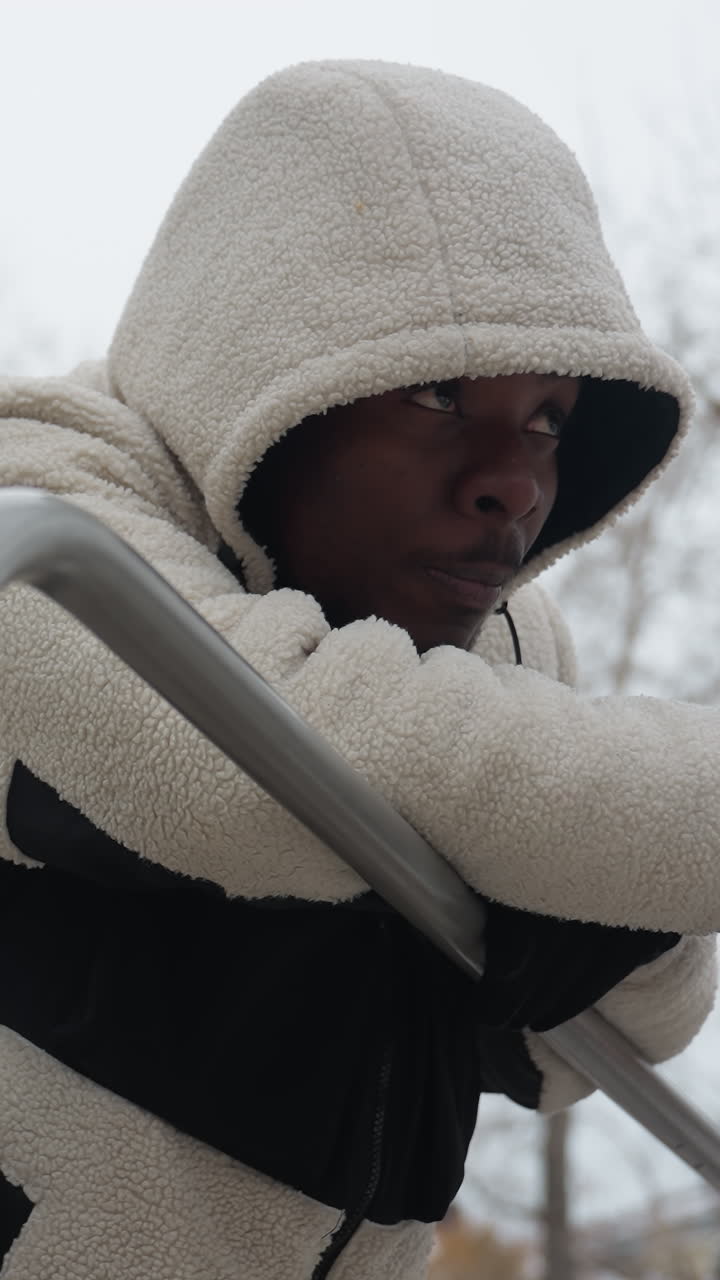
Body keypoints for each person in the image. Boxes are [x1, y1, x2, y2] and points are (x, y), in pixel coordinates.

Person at [0, 58, 716, 1280]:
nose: (519, 480)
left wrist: (559, 850)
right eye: (441, 391)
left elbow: (589, 1038)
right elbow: (235, 768)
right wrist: (552, 843)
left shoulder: (501, 646)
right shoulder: (49, 519)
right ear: (258, 369)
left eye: (550, 416)